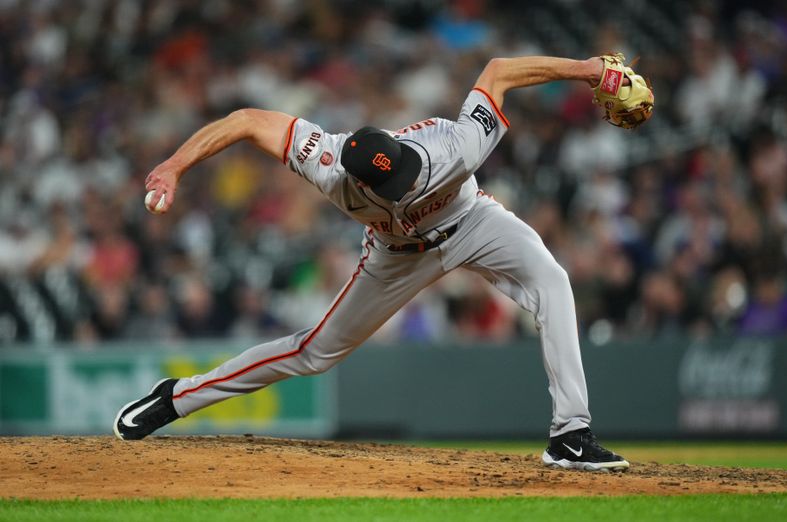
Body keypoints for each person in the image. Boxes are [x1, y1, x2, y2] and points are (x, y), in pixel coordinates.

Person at [113, 54, 630, 472]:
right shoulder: (329, 163)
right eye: (390, 182)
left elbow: (499, 71)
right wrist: (175, 166)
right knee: (315, 352)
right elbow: (247, 121)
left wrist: (588, 69)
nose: (402, 182)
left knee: (552, 281)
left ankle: (570, 435)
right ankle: (176, 398)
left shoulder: (456, 147)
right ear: (357, 180)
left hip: (471, 220)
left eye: (402, 172)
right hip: (396, 255)